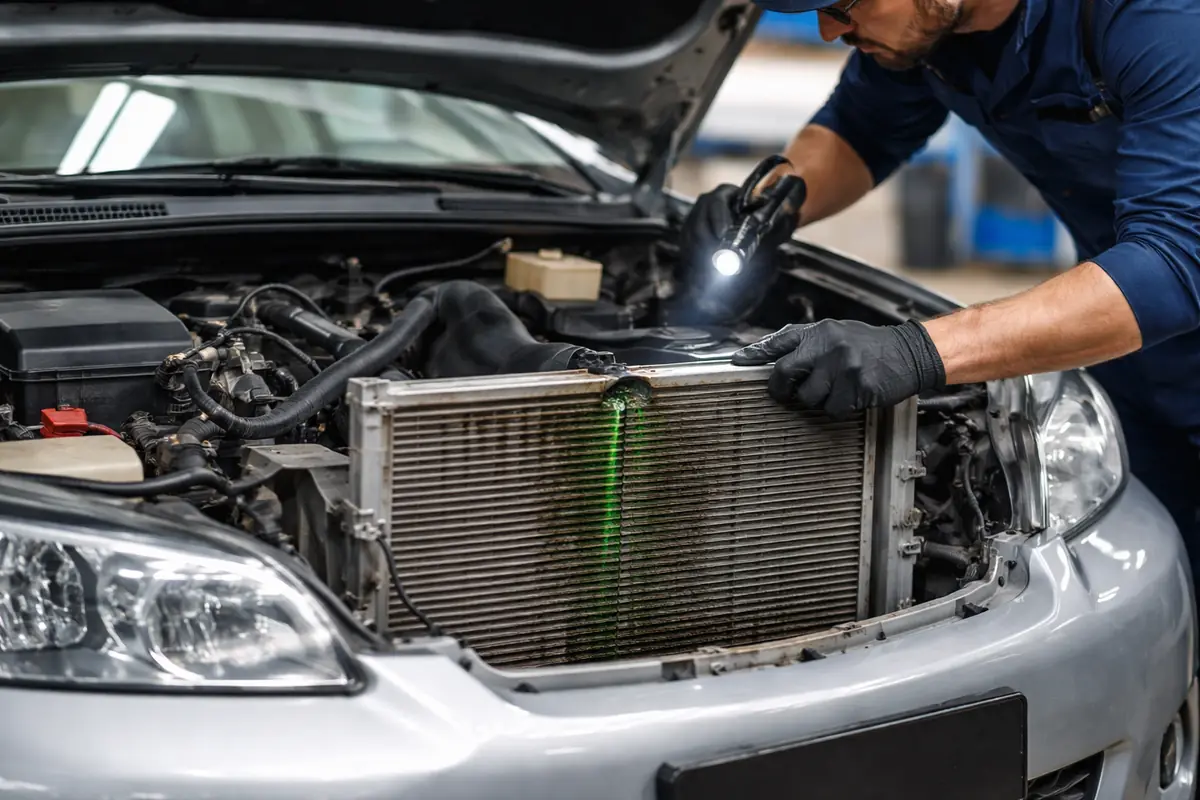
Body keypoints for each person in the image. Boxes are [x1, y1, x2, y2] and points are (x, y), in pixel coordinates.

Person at [681, 0, 1200, 569]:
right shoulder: (930, 27)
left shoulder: (1157, 18)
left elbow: (1175, 263)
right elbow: (862, 126)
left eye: (841, 4)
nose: (829, 31)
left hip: (1151, 310)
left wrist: (917, 350)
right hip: (1131, 359)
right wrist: (770, 204)